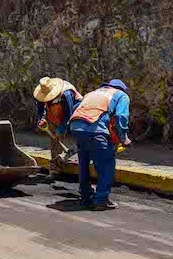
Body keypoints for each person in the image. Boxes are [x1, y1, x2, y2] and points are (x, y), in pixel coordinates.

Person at [69, 79, 131, 210]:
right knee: (106, 165)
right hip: (95, 130)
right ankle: (101, 200)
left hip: (76, 127)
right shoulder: (121, 95)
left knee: (84, 163)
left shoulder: (92, 93)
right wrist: (123, 137)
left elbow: (76, 108)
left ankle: (85, 196)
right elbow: (121, 116)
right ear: (121, 89)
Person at [32, 77, 83, 174]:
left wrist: (61, 129)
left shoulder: (66, 94)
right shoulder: (41, 94)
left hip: (76, 114)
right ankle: (55, 169)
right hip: (54, 115)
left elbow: (69, 113)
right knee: (55, 141)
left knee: (76, 138)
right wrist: (41, 119)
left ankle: (77, 156)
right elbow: (40, 108)